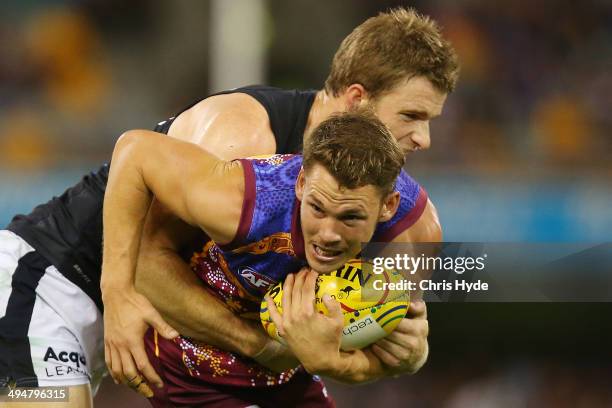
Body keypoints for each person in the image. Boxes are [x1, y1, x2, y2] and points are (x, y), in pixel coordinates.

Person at [0, 6, 458, 406]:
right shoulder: (243, 140)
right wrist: (261, 345)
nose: (424, 139)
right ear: (357, 99)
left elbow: (353, 324)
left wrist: (399, 350)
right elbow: (146, 257)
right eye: (411, 116)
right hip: (54, 281)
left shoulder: (382, 203)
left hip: (147, 323)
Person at [102, 111, 439, 407]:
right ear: (302, 184)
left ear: (388, 207)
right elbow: (135, 149)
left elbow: (384, 358)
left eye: (350, 217)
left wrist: (405, 357)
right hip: (194, 363)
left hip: (285, 380)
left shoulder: (410, 238)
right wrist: (116, 292)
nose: (328, 234)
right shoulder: (244, 201)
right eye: (317, 208)